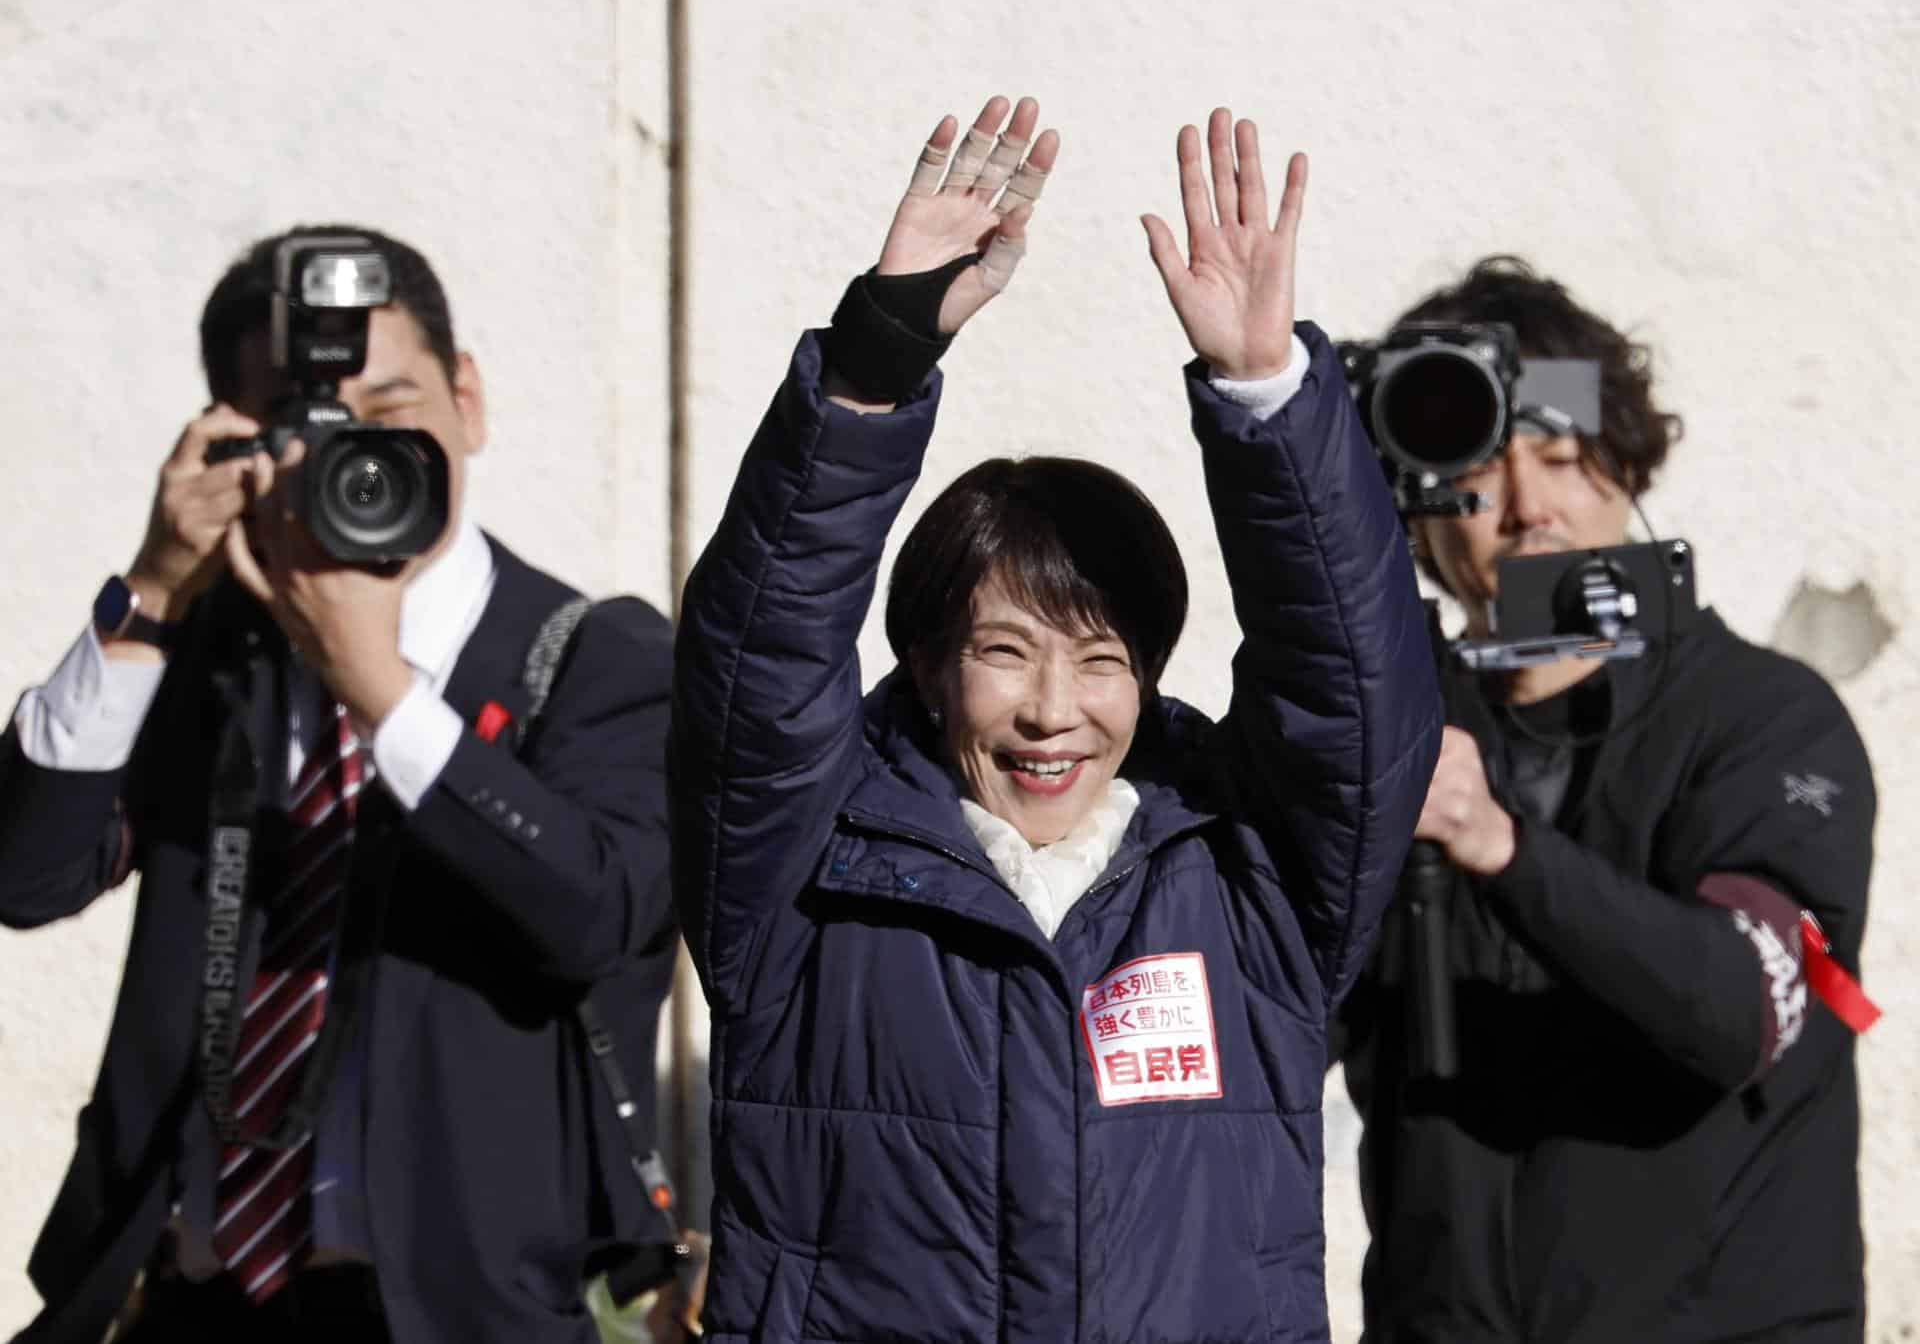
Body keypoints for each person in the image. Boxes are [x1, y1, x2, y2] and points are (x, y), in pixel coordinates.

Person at [669, 94, 1442, 1343]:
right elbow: (753, 662)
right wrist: (872, 362)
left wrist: (1267, 398)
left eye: (1098, 659)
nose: (1051, 713)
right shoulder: (801, 870)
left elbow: (1354, 691)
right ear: (925, 664)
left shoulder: (1250, 875)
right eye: (1002, 652)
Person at [0, 226, 678, 1344]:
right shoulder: (207, 649)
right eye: (309, 425)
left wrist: (382, 690)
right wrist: (154, 591)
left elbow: (598, 916)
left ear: (469, 398)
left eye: (395, 405)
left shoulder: (593, 655)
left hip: (455, 1313)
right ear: (234, 440)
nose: (362, 456)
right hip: (184, 1298)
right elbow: (23, 875)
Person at [1333, 257, 1879, 1343]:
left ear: (1625, 464)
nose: (1532, 506)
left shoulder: (1763, 715)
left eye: (1565, 455)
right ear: (1419, 502)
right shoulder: (1386, 737)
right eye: (1483, 469)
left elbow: (1744, 1007)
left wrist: (1497, 844)